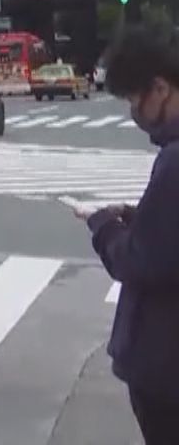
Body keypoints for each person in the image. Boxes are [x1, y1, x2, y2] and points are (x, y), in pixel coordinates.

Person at [86, 25, 179, 443]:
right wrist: (141, 215)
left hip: (164, 362)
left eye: (134, 99)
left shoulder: (175, 162)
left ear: (160, 89)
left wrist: (103, 227)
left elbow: (141, 260)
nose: (133, 111)